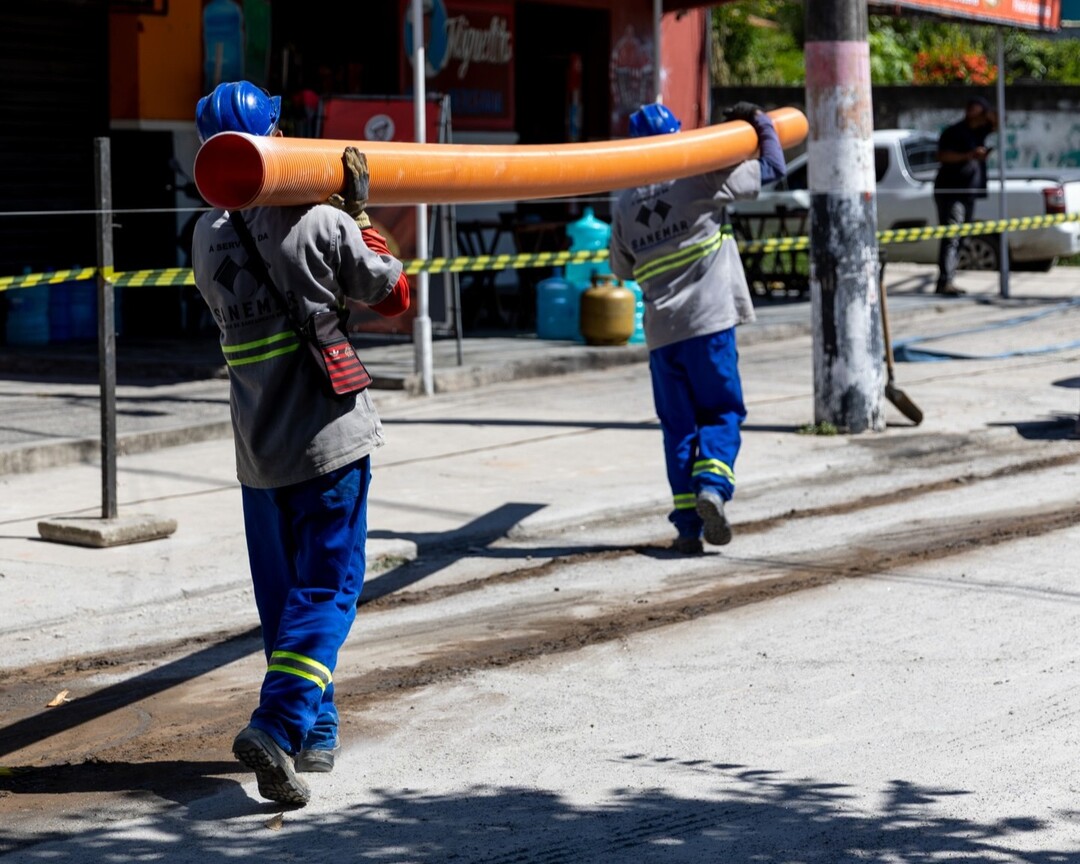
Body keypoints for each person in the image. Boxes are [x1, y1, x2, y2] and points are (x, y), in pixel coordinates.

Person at [192, 81, 410, 805]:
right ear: (276, 138)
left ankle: (316, 733)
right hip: (327, 443)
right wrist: (361, 216)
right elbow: (394, 297)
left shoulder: (204, 235)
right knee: (329, 591)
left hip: (257, 452)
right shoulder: (320, 220)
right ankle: (279, 726)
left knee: (288, 601)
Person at [609, 102, 785, 555]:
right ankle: (712, 487)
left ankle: (688, 527)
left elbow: (621, 267)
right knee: (722, 412)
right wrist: (759, 120)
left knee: (678, 427)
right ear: (678, 135)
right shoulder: (700, 176)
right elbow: (771, 169)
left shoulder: (624, 202)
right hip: (709, 323)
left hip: (662, 335)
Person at [934, 96, 998, 296]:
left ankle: (949, 278)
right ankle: (945, 281)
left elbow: (998, 123)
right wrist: (969, 155)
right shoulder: (954, 132)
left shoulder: (979, 132)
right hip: (951, 192)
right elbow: (942, 156)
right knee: (952, 236)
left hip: (969, 192)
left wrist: (989, 115)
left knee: (963, 237)